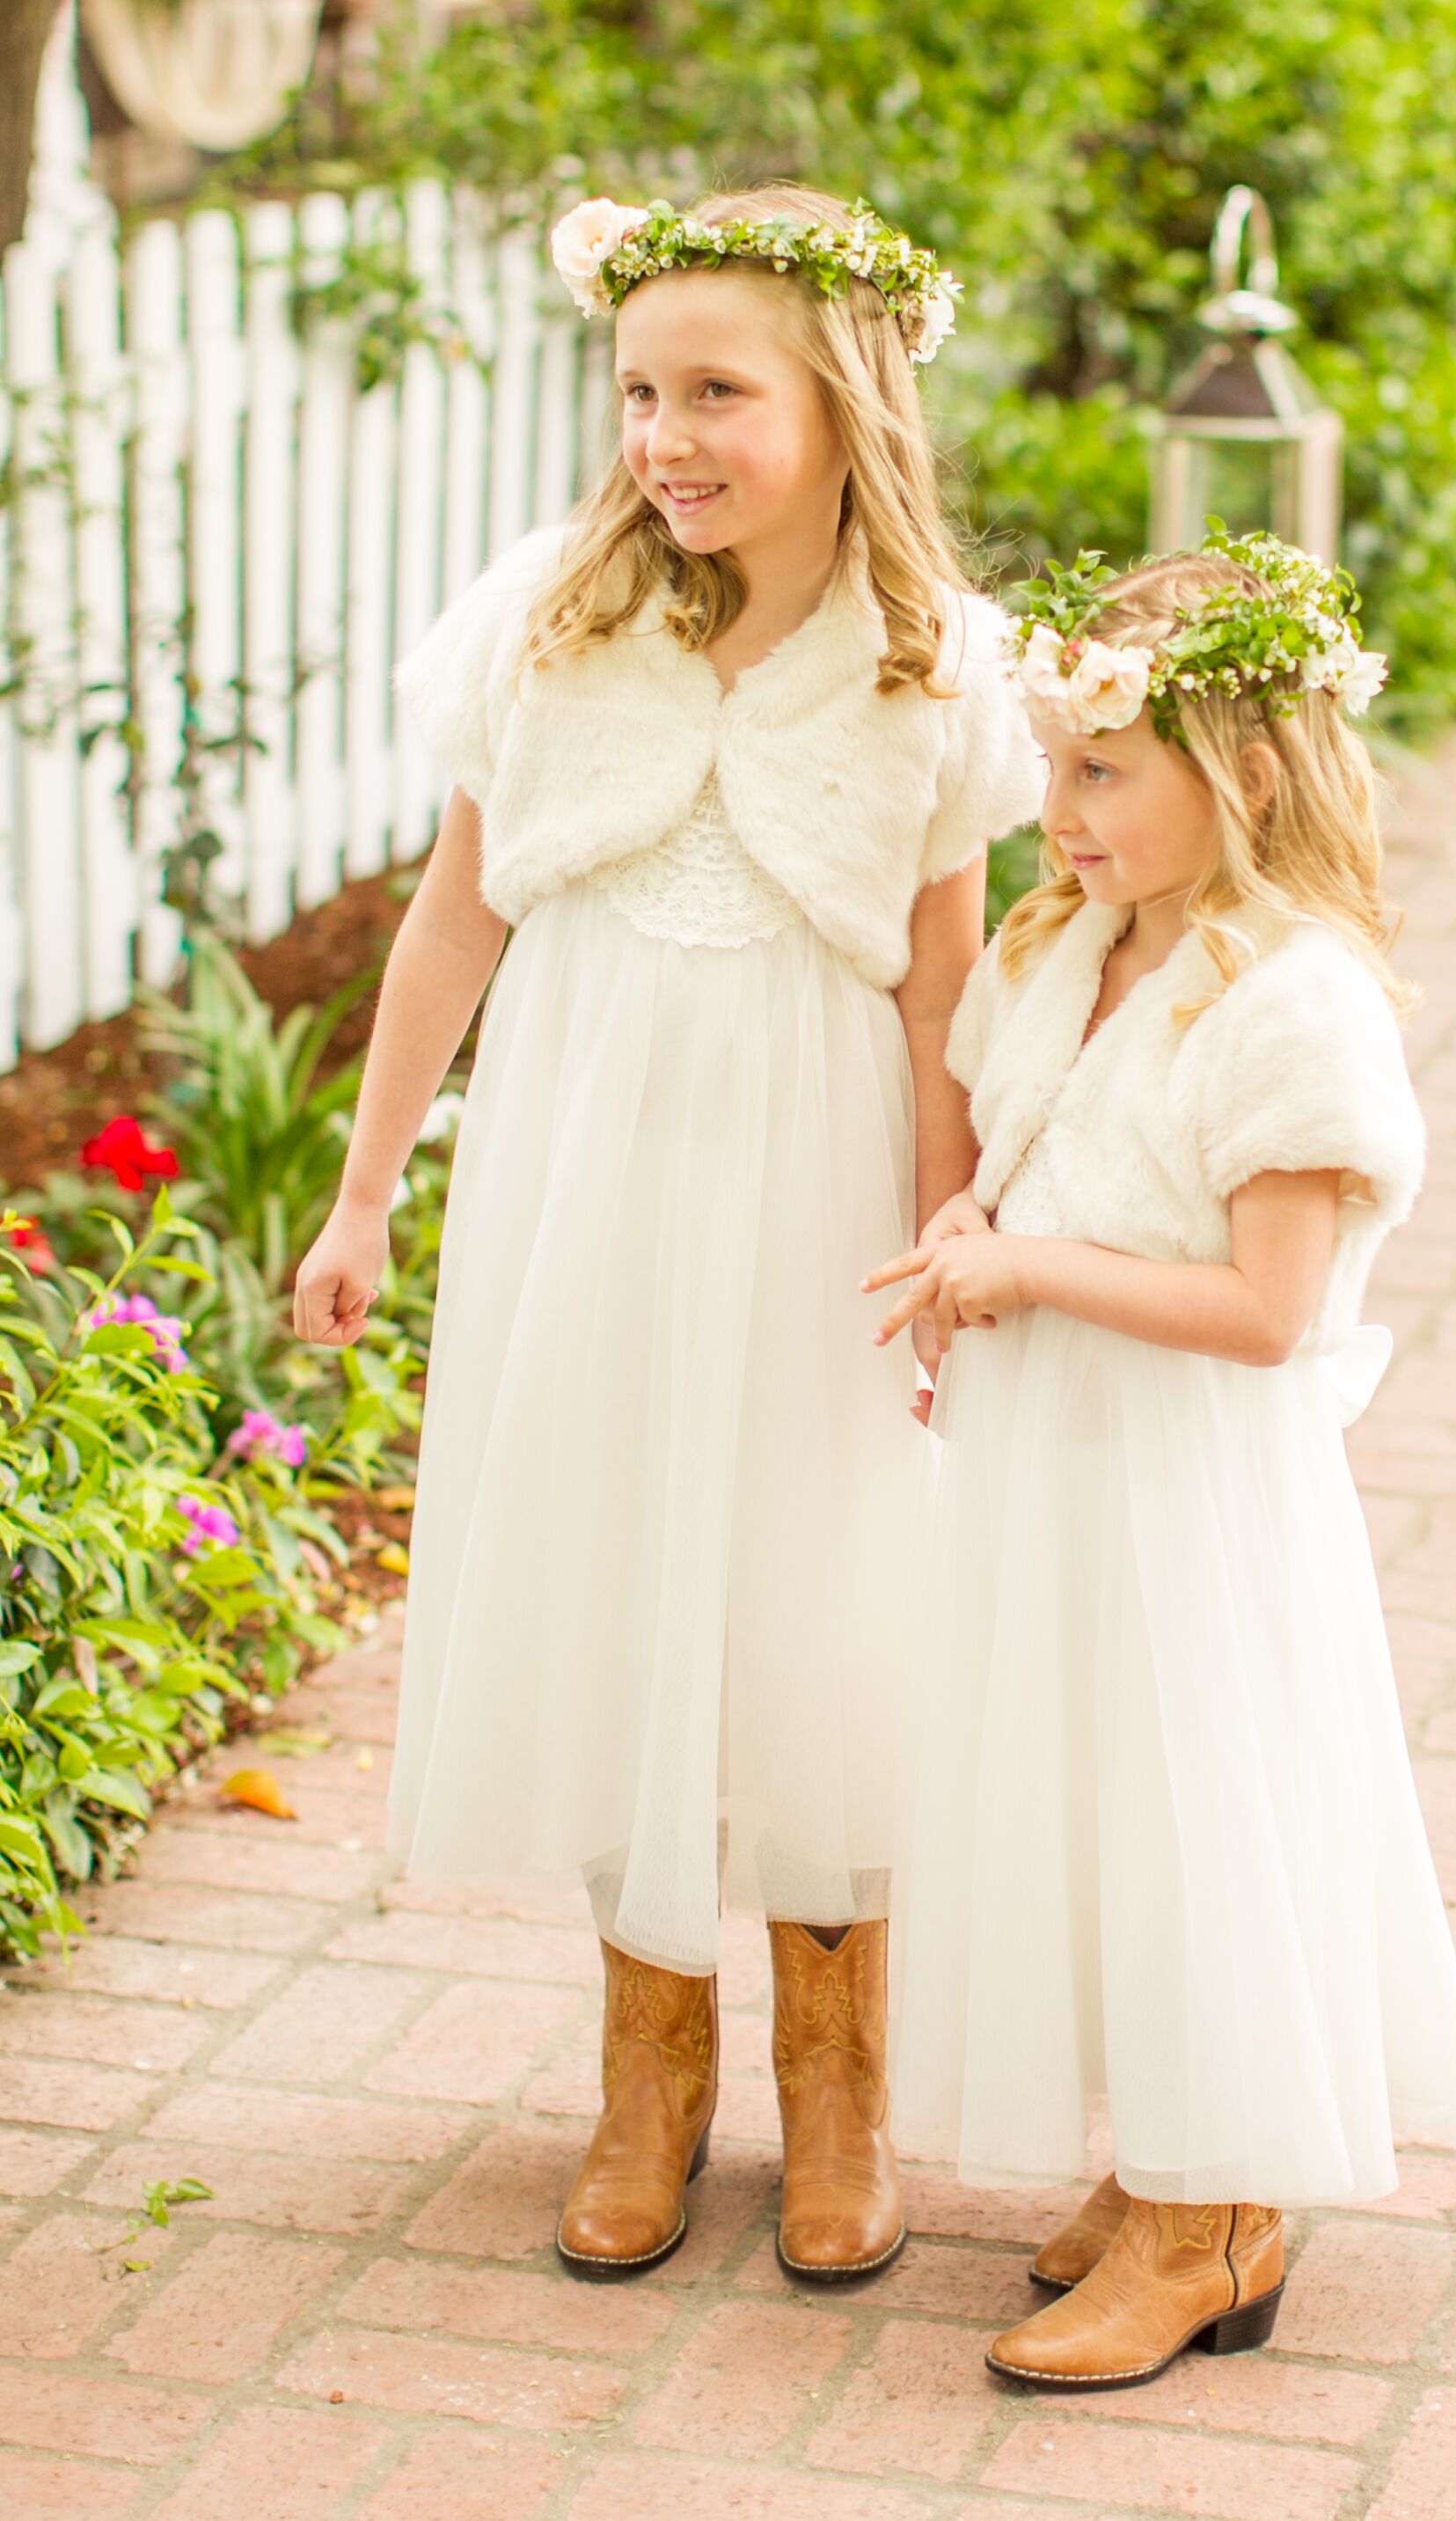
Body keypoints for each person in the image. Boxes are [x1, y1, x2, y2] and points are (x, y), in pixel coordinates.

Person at [294, 185, 1040, 2288]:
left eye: (718, 389)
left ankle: (840, 2080)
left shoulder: (928, 663)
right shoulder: (552, 613)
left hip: (814, 1187)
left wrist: (941, 1233)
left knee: (813, 1591)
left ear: (849, 398)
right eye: (638, 389)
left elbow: (936, 992)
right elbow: (454, 919)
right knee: (619, 1560)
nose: (664, 434)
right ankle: (647, 2075)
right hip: (585, 1165)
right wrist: (367, 1187)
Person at [869, 536, 1456, 2393]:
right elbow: (1017, 1135)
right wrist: (967, 1216)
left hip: (1186, 1485)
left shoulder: (1288, 999)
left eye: (1098, 770)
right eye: (1049, 762)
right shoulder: (1068, 945)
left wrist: (1021, 1264)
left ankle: (1216, 2215)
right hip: (1054, 1460)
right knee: (1089, 1804)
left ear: (1244, 774)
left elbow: (1264, 1310)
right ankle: (1156, 2156)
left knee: (1189, 1806)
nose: (1051, 808)